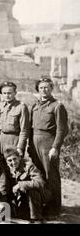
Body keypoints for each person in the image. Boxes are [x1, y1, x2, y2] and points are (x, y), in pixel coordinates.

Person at [28, 77, 68, 218]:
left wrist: (55, 147)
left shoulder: (57, 106)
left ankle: (53, 210)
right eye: (41, 88)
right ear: (37, 90)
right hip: (34, 143)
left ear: (51, 88)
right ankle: (40, 207)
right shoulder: (35, 106)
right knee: (38, 175)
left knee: (51, 176)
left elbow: (62, 130)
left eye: (46, 87)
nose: (43, 90)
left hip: (48, 143)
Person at [4, 148, 46, 223]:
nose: (13, 163)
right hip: (16, 197)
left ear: (19, 157)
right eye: (10, 160)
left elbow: (40, 183)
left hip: (30, 197)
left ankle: (36, 218)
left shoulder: (28, 166)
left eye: (15, 159)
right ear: (6, 162)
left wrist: (21, 184)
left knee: (33, 191)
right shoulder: (5, 168)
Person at [0, 81, 29, 157]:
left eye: (9, 93)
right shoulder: (0, 106)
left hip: (14, 140)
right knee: (0, 165)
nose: (7, 95)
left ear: (15, 93)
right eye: (4, 93)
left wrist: (20, 147)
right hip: (0, 140)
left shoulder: (21, 107)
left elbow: (24, 130)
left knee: (14, 165)